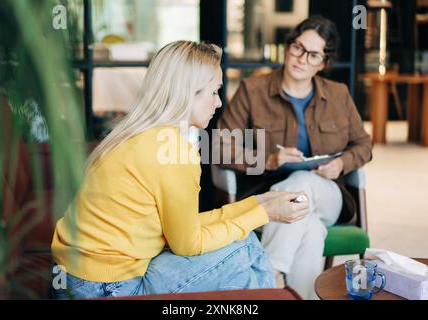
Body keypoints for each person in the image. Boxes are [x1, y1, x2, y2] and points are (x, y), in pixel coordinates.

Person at [50, 40, 310, 299]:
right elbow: (187, 243)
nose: (218, 103)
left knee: (244, 246)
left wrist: (257, 204)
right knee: (245, 249)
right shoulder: (173, 153)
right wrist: (264, 214)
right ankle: (275, 293)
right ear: (189, 92)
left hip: (74, 279)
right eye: (213, 92)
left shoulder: (135, 134)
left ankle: (270, 291)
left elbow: (183, 227)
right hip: (108, 289)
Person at [216, 16, 373, 299]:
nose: (302, 58)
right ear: (288, 47)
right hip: (266, 197)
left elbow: (363, 145)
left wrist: (341, 164)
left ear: (324, 63)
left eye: (313, 55)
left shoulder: (338, 95)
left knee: (303, 180)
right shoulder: (253, 91)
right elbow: (220, 147)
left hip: (327, 195)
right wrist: (267, 160)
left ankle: (268, 276)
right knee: (310, 232)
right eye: (298, 48)